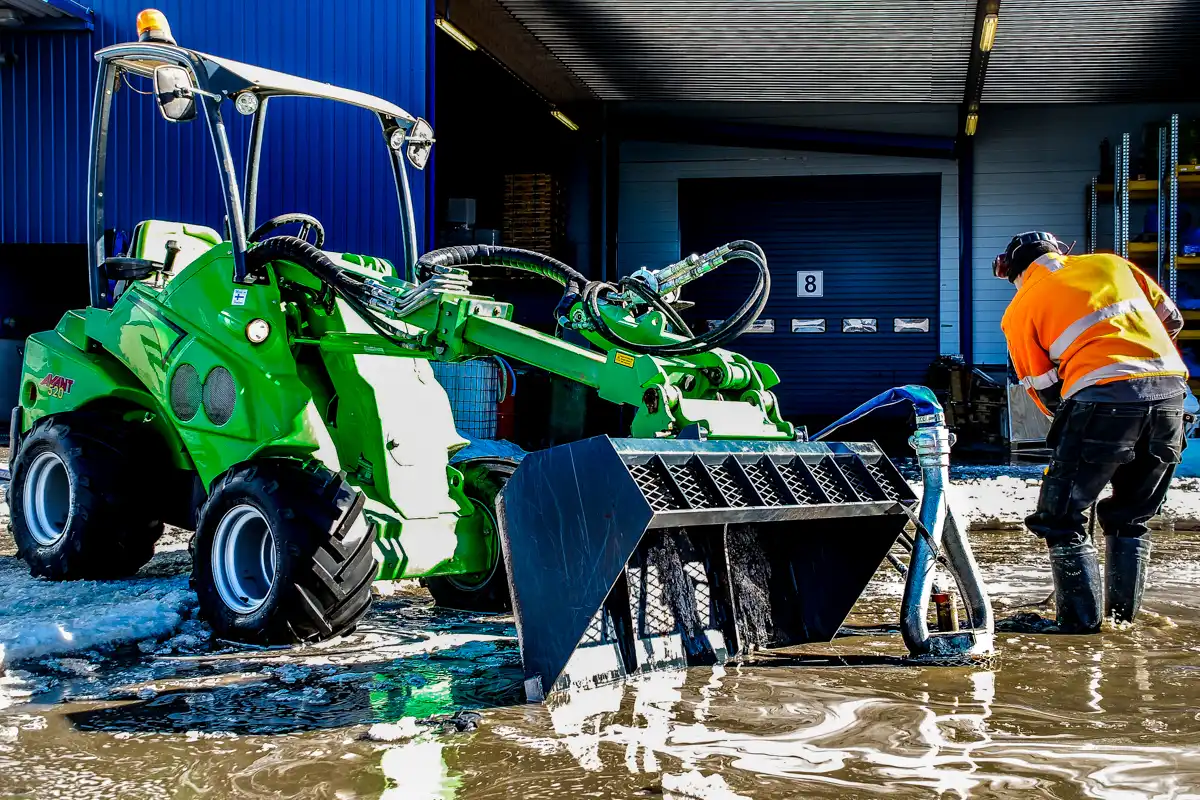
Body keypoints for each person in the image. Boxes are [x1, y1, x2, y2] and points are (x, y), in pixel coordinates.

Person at [996, 231, 1188, 632]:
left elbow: (1044, 388)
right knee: (1130, 516)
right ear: (1058, 252)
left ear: (1013, 271)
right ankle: (1122, 620)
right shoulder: (1110, 264)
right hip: (1170, 395)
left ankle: (1077, 624)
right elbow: (1172, 319)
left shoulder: (1019, 309)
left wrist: (1080, 425)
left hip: (1100, 399)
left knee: (1062, 515)